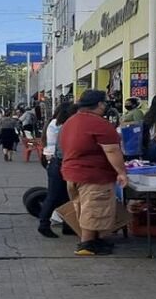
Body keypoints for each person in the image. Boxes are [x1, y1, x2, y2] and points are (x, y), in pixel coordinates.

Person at [58, 90, 128, 256]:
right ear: (100, 104)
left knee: (82, 207)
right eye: (104, 102)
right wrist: (121, 172)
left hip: (72, 172)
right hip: (93, 175)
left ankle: (93, 241)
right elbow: (112, 150)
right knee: (94, 210)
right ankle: (87, 245)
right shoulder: (98, 123)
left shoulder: (71, 121)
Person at [37, 101, 77, 238]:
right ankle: (44, 224)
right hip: (57, 162)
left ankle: (68, 225)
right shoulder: (61, 125)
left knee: (65, 196)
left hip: (53, 160)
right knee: (54, 196)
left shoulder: (53, 122)